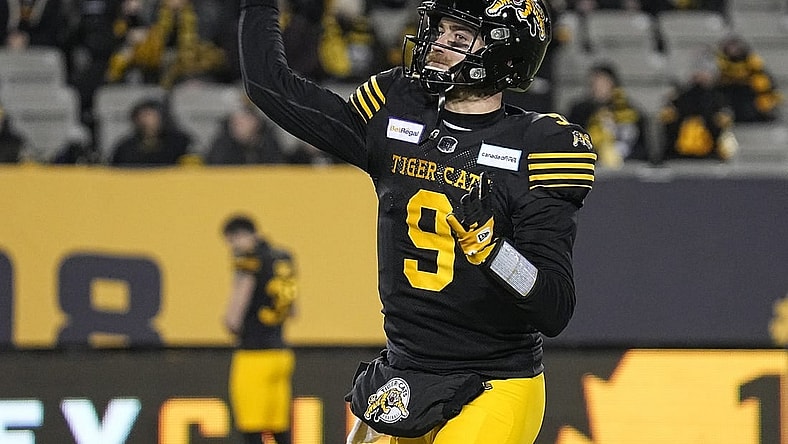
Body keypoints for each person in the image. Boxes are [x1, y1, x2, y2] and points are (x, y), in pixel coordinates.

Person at [238, 0, 596, 443]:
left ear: (504, 54)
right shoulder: (400, 106)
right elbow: (268, 87)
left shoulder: (539, 147)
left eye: (460, 38)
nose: (439, 44)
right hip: (405, 370)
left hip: (493, 382)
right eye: (441, 30)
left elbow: (555, 307)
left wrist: (495, 253)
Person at [222, 215, 297, 444]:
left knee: (251, 429)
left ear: (239, 235)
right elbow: (293, 309)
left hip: (254, 355)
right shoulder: (283, 258)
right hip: (281, 354)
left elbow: (237, 309)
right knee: (279, 430)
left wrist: (230, 322)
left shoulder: (249, 260)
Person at [658, 46, 737, 162]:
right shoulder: (679, 97)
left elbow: (724, 123)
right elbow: (667, 120)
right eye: (697, 70)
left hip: (710, 154)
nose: (700, 75)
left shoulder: (719, 98)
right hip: (678, 154)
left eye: (705, 71)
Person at [567, 62, 649, 167]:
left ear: (613, 84)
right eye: (594, 83)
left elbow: (643, 149)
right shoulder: (579, 111)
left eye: (602, 83)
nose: (598, 88)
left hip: (626, 168)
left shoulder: (631, 112)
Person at [715, 34, 782, 123]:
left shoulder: (755, 66)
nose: (733, 50)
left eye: (735, 47)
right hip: (728, 102)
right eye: (730, 47)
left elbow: (767, 89)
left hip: (750, 105)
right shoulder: (717, 68)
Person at [109, 98, 193, 166]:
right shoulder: (125, 147)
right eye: (141, 115)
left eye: (149, 115)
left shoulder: (179, 142)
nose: (145, 120)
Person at [206, 105, 287, 165]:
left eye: (242, 123)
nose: (237, 126)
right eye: (235, 123)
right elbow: (216, 167)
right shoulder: (222, 144)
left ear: (255, 122)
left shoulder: (268, 142)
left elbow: (277, 165)